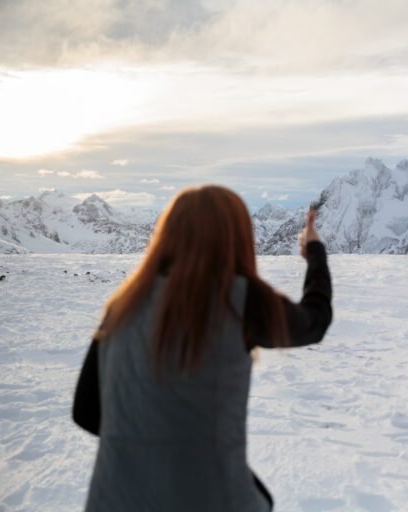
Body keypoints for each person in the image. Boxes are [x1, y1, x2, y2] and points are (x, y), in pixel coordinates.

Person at [72, 185, 332, 511]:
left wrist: (147, 452)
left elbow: (86, 411)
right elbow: (314, 321)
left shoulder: (123, 305)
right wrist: (315, 253)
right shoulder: (239, 298)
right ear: (235, 237)